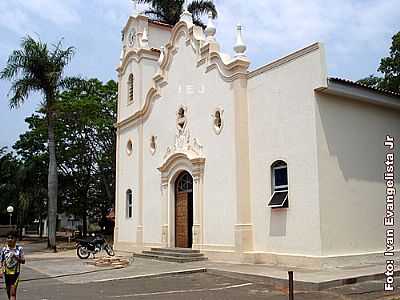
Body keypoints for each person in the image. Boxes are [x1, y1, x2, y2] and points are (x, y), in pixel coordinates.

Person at [1, 232, 25, 300]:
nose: (10, 239)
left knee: (13, 293)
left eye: (12, 238)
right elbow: (1, 260)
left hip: (15, 274)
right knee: (8, 292)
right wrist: (1, 270)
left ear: (16, 239)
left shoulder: (19, 249)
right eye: (8, 238)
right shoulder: (4, 249)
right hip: (7, 274)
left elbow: (23, 261)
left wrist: (16, 257)